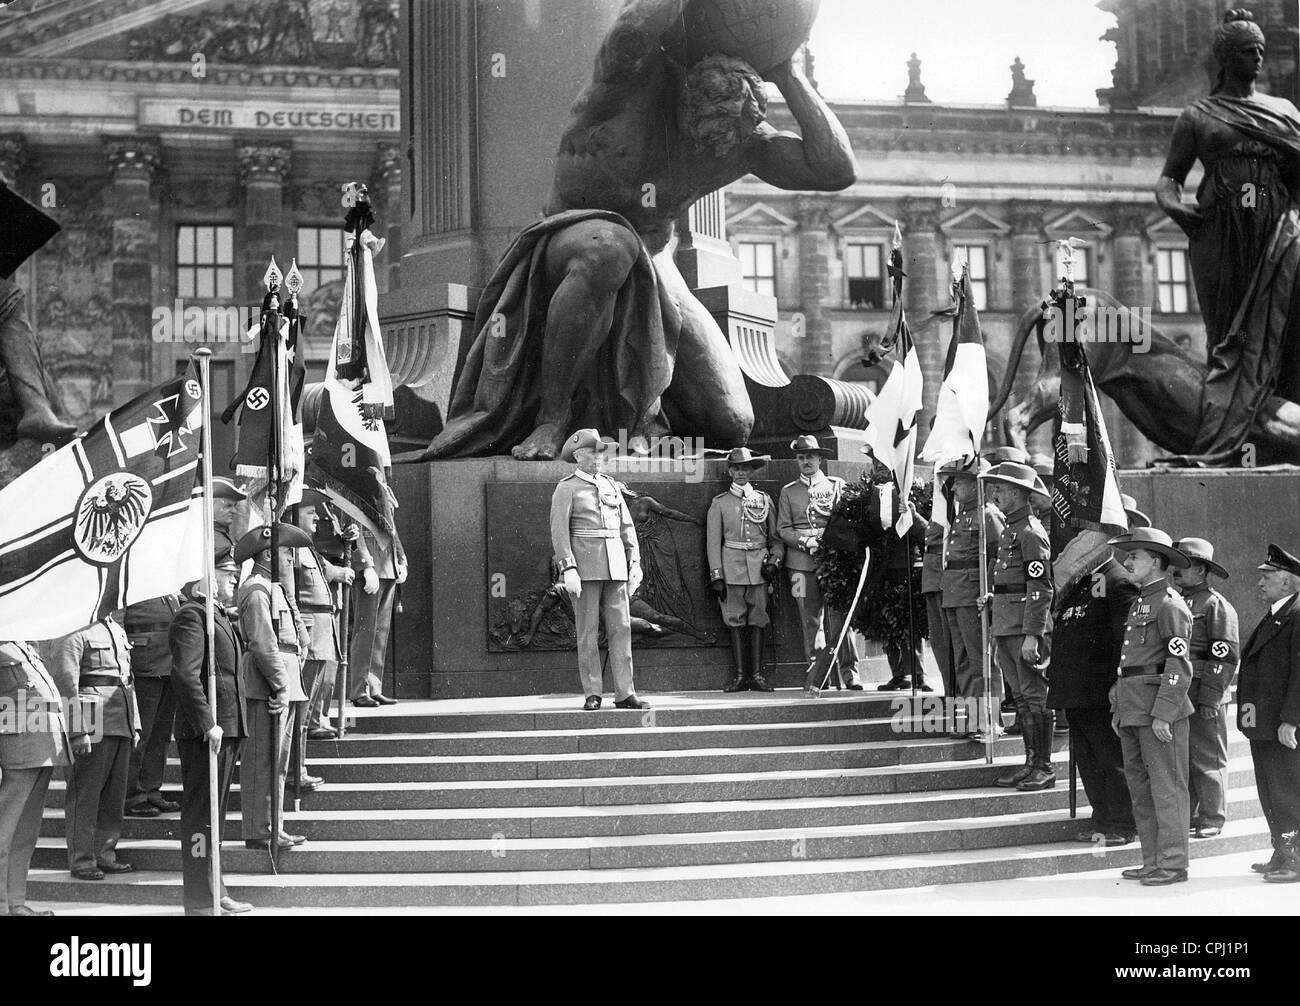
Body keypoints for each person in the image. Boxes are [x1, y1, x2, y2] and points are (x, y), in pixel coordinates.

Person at [420, 0, 854, 461]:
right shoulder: (627, 79)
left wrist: (787, 73)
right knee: (611, 245)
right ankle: (552, 419)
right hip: (568, 234)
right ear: (685, 95)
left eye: (723, 138)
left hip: (653, 256)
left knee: (731, 423)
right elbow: (633, 26)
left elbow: (834, 170)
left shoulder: (737, 139)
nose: (707, 144)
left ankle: (637, 431)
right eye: (700, 125)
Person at [1155, 9, 1300, 464]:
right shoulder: (1197, 115)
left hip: (1276, 230)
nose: (1257, 58)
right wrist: (1175, 207)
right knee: (1230, 339)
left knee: (1286, 328)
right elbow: (1169, 179)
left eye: (1260, 50)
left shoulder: (1285, 111)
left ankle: (1280, 426)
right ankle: (1235, 430)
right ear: (1224, 57)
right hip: (1221, 233)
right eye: (1246, 51)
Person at [169, 548, 253, 916]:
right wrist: (207, 723)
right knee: (201, 816)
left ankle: (214, 887)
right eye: (227, 572)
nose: (234, 579)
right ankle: (201, 899)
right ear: (207, 576)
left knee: (214, 817)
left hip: (228, 727)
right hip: (208, 732)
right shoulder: (192, 617)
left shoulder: (215, 616)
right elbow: (185, 676)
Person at [1109, 527, 1194, 886]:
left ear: (1156, 561)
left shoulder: (1170, 604)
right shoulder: (1143, 601)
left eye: (1134, 557)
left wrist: (1164, 712)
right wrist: (1119, 708)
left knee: (1166, 787)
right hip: (1133, 705)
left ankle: (1173, 863)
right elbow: (1130, 662)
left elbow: (1179, 664)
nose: (1127, 562)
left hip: (1158, 709)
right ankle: (1152, 859)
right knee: (1140, 788)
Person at [1048, 539, 1139, 846]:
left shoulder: (1118, 581)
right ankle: (1102, 816)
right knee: (1088, 759)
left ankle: (1123, 822)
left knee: (1110, 758)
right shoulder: (1083, 583)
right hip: (1075, 691)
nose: (1077, 550)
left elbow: (1124, 640)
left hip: (1099, 691)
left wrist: (1117, 682)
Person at [549, 428, 648, 710]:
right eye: (592, 452)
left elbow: (626, 527)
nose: (598, 457)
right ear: (578, 456)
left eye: (601, 452)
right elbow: (560, 532)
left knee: (622, 629)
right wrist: (568, 568)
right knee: (588, 632)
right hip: (585, 568)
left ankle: (625, 692)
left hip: (616, 566)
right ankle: (593, 692)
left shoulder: (611, 485)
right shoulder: (566, 488)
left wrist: (635, 562)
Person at [44, 615, 140, 880]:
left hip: (120, 720)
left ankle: (105, 853)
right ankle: (82, 859)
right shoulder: (72, 628)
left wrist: (136, 724)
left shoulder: (115, 629)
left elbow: (126, 680)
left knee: (114, 796)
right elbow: (65, 683)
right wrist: (77, 731)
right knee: (86, 796)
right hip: (92, 724)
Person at [235, 523, 312, 852]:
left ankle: (273, 825)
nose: (291, 558)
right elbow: (264, 644)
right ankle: (259, 829)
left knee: (279, 762)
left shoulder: (273, 587)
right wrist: (281, 686)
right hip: (268, 685)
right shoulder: (257, 590)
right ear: (267, 554)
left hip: (285, 683)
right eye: (285, 552)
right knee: (262, 762)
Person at [978, 462, 1055, 790]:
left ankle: (1044, 766)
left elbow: (1041, 587)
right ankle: (1030, 761)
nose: (996, 493)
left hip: (1024, 627)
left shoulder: (1030, 532)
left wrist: (1032, 635)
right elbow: (1014, 581)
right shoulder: (1011, 528)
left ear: (1021, 494)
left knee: (1034, 697)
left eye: (1003, 489)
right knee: (1022, 699)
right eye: (996, 488)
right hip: (1007, 623)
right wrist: (994, 597)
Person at [777, 435, 862, 689]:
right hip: (799, 566)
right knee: (809, 618)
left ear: (820, 459)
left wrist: (826, 541)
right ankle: (819, 673)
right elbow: (783, 529)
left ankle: (849, 672)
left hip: (834, 562)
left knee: (841, 618)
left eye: (810, 457)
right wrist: (806, 542)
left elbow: (845, 522)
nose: (806, 461)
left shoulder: (836, 486)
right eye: (801, 457)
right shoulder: (788, 492)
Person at [1237, 544, 1300, 883]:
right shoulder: (1278, 613)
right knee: (1271, 791)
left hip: (1282, 725)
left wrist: (1292, 719)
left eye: (1267, 576)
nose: (1260, 583)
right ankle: (1283, 851)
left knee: (1289, 791)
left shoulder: (1297, 614)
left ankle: (1296, 858)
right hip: (1264, 725)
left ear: (1288, 582)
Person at [1171, 537, 1239, 839]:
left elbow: (1224, 657)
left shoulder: (1216, 605)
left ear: (1200, 570)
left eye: (1184, 565)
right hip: (1181, 690)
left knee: (1208, 757)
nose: (1176, 570)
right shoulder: (1176, 600)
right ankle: (1193, 814)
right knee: (1184, 757)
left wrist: (1211, 698)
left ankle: (1213, 817)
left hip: (1204, 691)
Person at [0, 639, 69, 915]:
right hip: (16, 747)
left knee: (24, 833)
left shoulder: (20, 643)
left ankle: (15, 902)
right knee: (4, 833)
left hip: (43, 745)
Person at [706, 447, 783, 692]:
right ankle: (741, 676)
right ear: (729, 471)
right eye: (736, 468)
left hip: (759, 569)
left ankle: (757, 676)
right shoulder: (719, 504)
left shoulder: (764, 499)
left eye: (745, 468)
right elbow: (712, 542)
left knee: (758, 618)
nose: (741, 473)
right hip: (732, 569)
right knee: (735, 618)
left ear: (751, 471)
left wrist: (774, 562)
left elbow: (776, 539)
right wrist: (716, 575)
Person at [940, 457, 1004, 740]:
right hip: (955, 592)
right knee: (963, 660)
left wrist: (988, 592)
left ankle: (990, 720)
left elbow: (998, 558)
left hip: (973, 594)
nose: (953, 488)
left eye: (960, 482)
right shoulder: (963, 514)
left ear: (978, 485)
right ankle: (972, 718)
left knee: (981, 661)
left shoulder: (987, 515)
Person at [291, 488, 352, 785]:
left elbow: (326, 571)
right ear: (293, 515)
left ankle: (297, 768)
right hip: (310, 633)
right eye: (309, 512)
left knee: (306, 711)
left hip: (322, 630)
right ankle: (295, 770)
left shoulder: (306, 547)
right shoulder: (290, 549)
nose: (316, 516)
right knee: (300, 713)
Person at [122, 591, 183, 818]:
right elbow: (117, 624)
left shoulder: (167, 588)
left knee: (161, 734)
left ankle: (151, 789)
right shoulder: (133, 582)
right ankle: (132, 795)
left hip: (168, 665)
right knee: (142, 733)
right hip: (142, 666)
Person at [349, 521, 403, 708]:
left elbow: (391, 529)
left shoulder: (384, 491)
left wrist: (401, 559)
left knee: (380, 633)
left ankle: (373, 687)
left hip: (388, 565)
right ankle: (359, 690)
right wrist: (365, 565)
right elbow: (355, 528)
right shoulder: (357, 491)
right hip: (371, 567)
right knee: (365, 633)